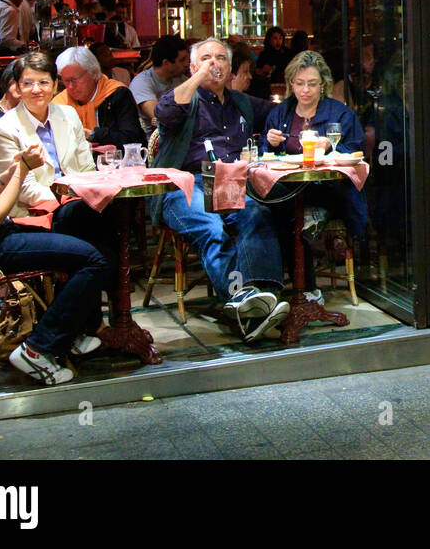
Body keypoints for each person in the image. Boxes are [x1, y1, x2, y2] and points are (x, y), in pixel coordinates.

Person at [0, 65, 115, 386]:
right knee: (93, 258)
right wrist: (23, 170)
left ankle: (71, 331)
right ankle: (39, 347)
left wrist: (9, 172)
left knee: (87, 233)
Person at [151, 37, 288, 342]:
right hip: (185, 185)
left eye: (220, 59)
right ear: (191, 66)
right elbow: (165, 113)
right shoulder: (186, 98)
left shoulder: (240, 101)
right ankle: (244, 300)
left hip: (230, 184)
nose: (214, 63)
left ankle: (261, 296)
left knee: (257, 215)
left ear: (230, 68)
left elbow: (281, 112)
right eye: (206, 58)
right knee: (212, 228)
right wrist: (200, 75)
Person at [260, 50, 369, 299]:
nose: (305, 90)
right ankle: (279, 287)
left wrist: (332, 147)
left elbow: (356, 152)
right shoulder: (281, 113)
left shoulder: (340, 114)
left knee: (293, 219)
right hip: (288, 189)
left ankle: (306, 289)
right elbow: (263, 158)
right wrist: (270, 142)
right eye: (299, 84)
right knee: (270, 215)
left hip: (329, 190)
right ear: (290, 84)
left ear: (324, 85)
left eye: (311, 84)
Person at [0, 52, 98, 217]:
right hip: (35, 212)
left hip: (77, 204)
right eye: (28, 83)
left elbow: (86, 168)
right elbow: (25, 190)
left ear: (55, 86)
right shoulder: (3, 129)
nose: (36, 90)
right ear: (18, 88)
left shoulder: (68, 114)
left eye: (43, 82)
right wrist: (72, 201)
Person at [52, 46, 144, 149]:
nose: (70, 86)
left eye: (75, 79)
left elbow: (132, 138)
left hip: (114, 161)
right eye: (65, 80)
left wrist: (94, 134)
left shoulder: (116, 94)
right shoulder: (60, 103)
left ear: (94, 73)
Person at [131, 34, 189, 131]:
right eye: (182, 60)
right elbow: (161, 116)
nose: (186, 64)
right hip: (153, 141)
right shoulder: (141, 83)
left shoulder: (180, 79)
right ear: (166, 63)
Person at [251, 26, 291, 99]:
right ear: (269, 40)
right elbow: (257, 71)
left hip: (285, 85)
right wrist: (264, 70)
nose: (278, 41)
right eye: (275, 38)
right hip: (269, 86)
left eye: (280, 38)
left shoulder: (287, 53)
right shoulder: (264, 54)